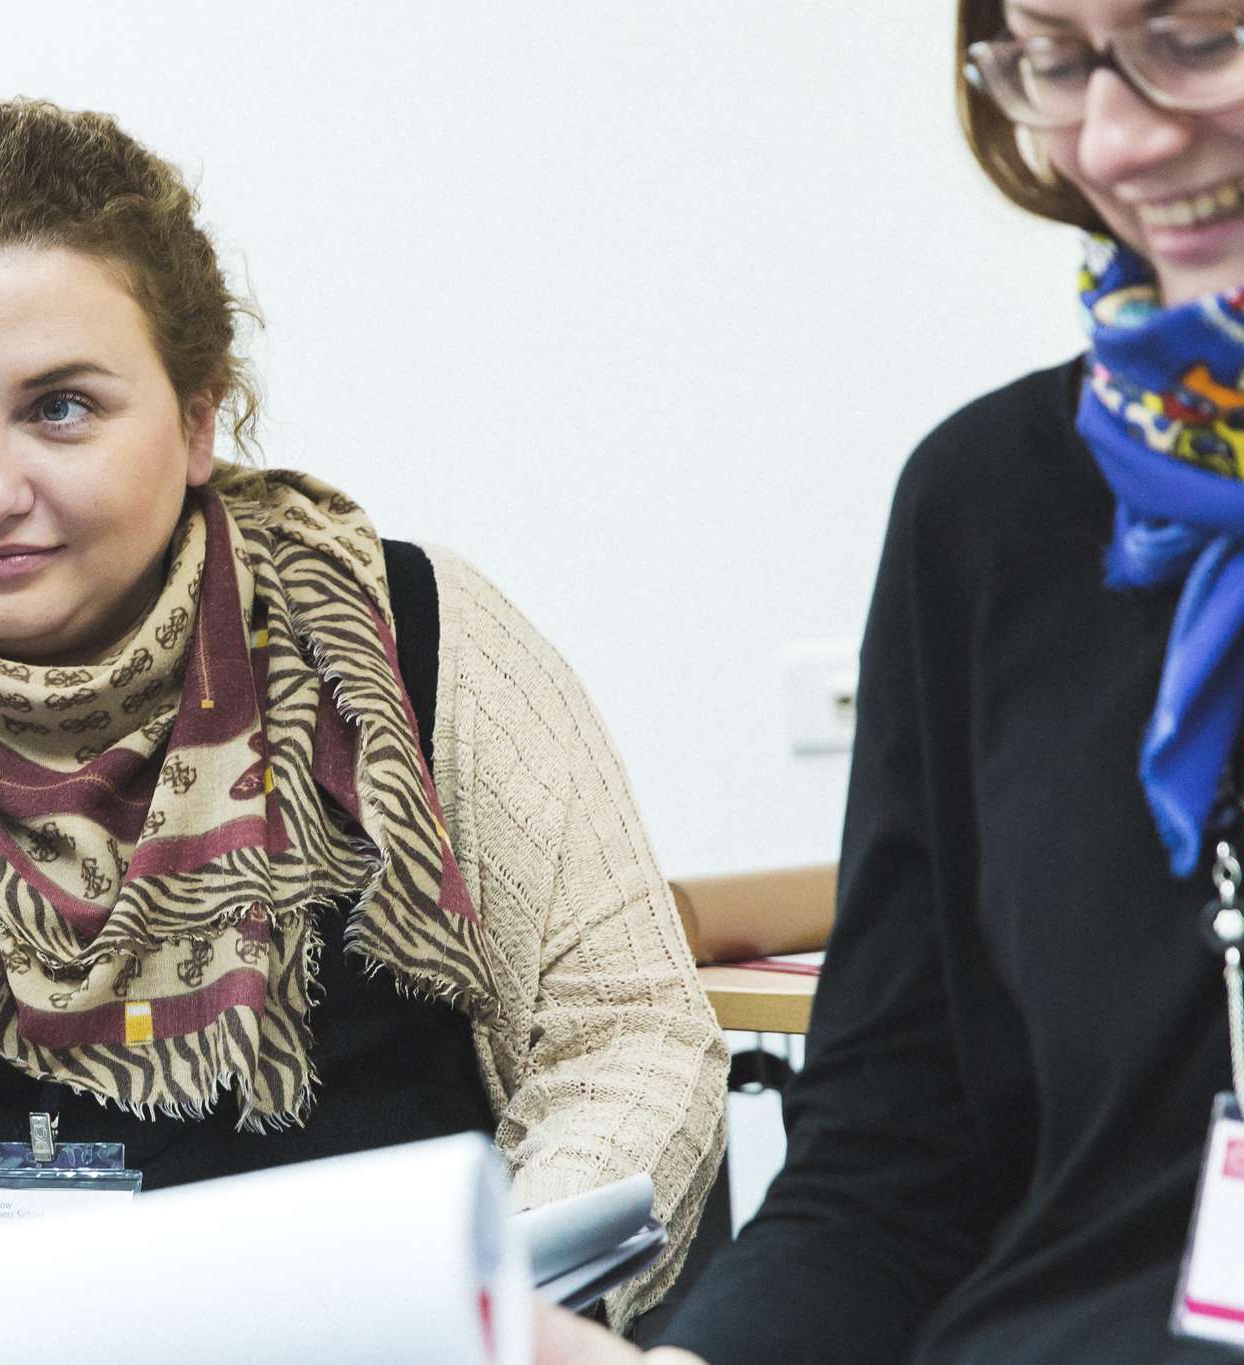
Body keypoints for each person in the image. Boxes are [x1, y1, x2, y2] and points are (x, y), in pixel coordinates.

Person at [0, 98, 726, 1365]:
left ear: (197, 420)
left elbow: (625, 1039)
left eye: (60, 408)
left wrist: (498, 1311)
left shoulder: (411, 640)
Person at [547, 2, 1244, 1363]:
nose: (1113, 139)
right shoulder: (983, 505)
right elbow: (890, 1164)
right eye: (1056, 58)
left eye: (1194, 41)